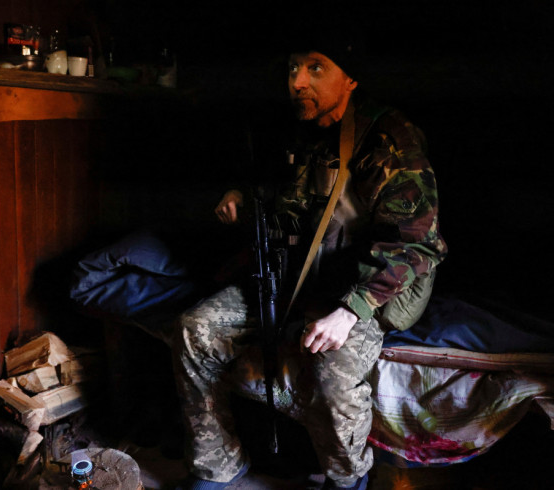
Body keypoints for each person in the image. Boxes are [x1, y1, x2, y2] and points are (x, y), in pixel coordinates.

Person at [171, 20, 448, 490]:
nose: (297, 80)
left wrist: (350, 312)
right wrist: (241, 194)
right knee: (193, 329)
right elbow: (284, 194)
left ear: (350, 79)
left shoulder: (387, 140)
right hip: (298, 276)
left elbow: (416, 241)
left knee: (333, 370)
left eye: (316, 68)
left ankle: (347, 481)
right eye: (294, 67)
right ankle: (216, 465)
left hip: (366, 287)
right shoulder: (298, 129)